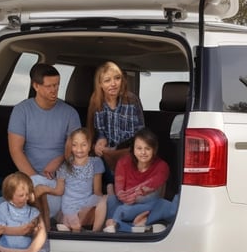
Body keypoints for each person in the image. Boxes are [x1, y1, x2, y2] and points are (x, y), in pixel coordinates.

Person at [8, 62, 81, 218]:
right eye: (49, 86)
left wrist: (59, 159)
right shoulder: (21, 111)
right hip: (29, 176)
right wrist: (35, 179)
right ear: (36, 86)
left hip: (62, 177)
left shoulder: (70, 113)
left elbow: (77, 149)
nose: (54, 90)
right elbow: (16, 150)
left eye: (57, 85)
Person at [103, 128, 178, 233]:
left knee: (159, 202)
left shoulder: (162, 166)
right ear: (133, 148)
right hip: (125, 204)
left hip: (149, 204)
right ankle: (136, 225)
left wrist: (136, 196)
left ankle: (124, 224)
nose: (143, 152)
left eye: (147, 148)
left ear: (154, 149)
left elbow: (148, 189)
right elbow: (120, 193)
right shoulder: (123, 162)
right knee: (112, 200)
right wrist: (129, 199)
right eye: (139, 148)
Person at [86, 61, 145, 190]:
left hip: (129, 153)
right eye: (107, 80)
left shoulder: (131, 100)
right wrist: (99, 142)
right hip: (106, 158)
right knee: (99, 165)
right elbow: (93, 131)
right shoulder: (96, 102)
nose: (113, 84)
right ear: (100, 84)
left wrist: (122, 150)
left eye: (117, 78)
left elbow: (141, 132)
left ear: (122, 80)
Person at [53, 128, 108, 232]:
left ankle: (95, 232)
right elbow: (59, 190)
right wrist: (43, 188)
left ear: (90, 145)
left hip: (86, 202)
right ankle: (70, 222)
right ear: (70, 146)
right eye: (75, 145)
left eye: (83, 144)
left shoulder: (95, 162)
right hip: (70, 205)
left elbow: (97, 191)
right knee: (75, 224)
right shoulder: (65, 166)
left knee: (103, 199)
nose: (79, 149)